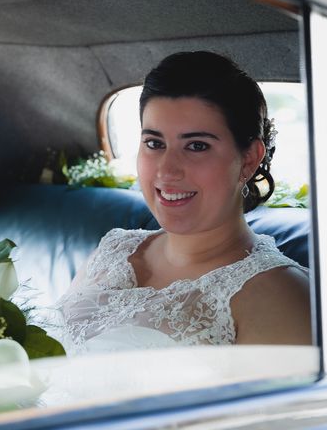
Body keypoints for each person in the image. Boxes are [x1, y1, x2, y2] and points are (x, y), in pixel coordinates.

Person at [56, 51, 311, 355]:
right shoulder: (111, 251)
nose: (167, 170)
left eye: (197, 146)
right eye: (154, 143)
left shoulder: (280, 294)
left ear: (249, 159)